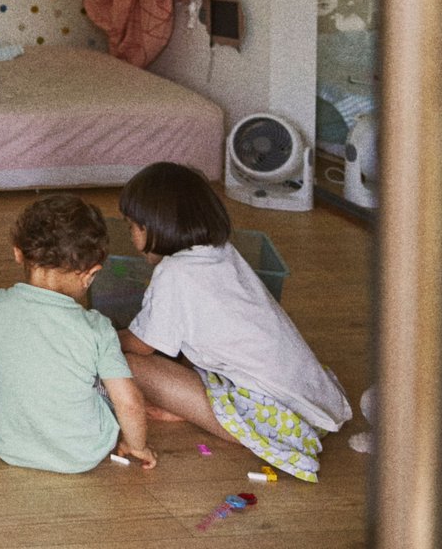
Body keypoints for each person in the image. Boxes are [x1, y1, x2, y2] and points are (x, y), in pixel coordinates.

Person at [117, 161, 351, 482]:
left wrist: (99, 337)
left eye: (133, 226)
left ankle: (217, 421)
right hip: (311, 403)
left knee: (128, 365)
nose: (131, 235)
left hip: (276, 419)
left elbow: (142, 346)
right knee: (176, 357)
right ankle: (191, 407)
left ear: (156, 226)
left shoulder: (175, 273)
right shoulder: (220, 251)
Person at [0, 193, 156, 474]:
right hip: (83, 452)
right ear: (90, 274)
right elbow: (130, 404)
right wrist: (138, 445)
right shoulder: (97, 327)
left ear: (17, 252)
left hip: (5, 441)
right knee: (110, 381)